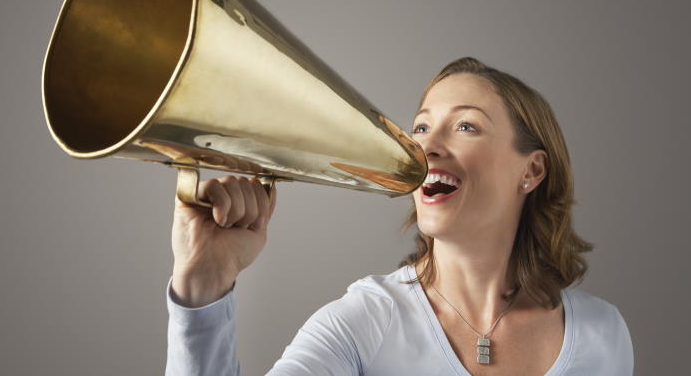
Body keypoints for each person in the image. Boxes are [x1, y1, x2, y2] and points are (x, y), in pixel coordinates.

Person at [165, 57, 634, 375]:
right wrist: (204, 288)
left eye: (466, 125)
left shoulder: (603, 334)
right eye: (422, 127)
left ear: (531, 171)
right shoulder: (363, 321)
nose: (427, 147)